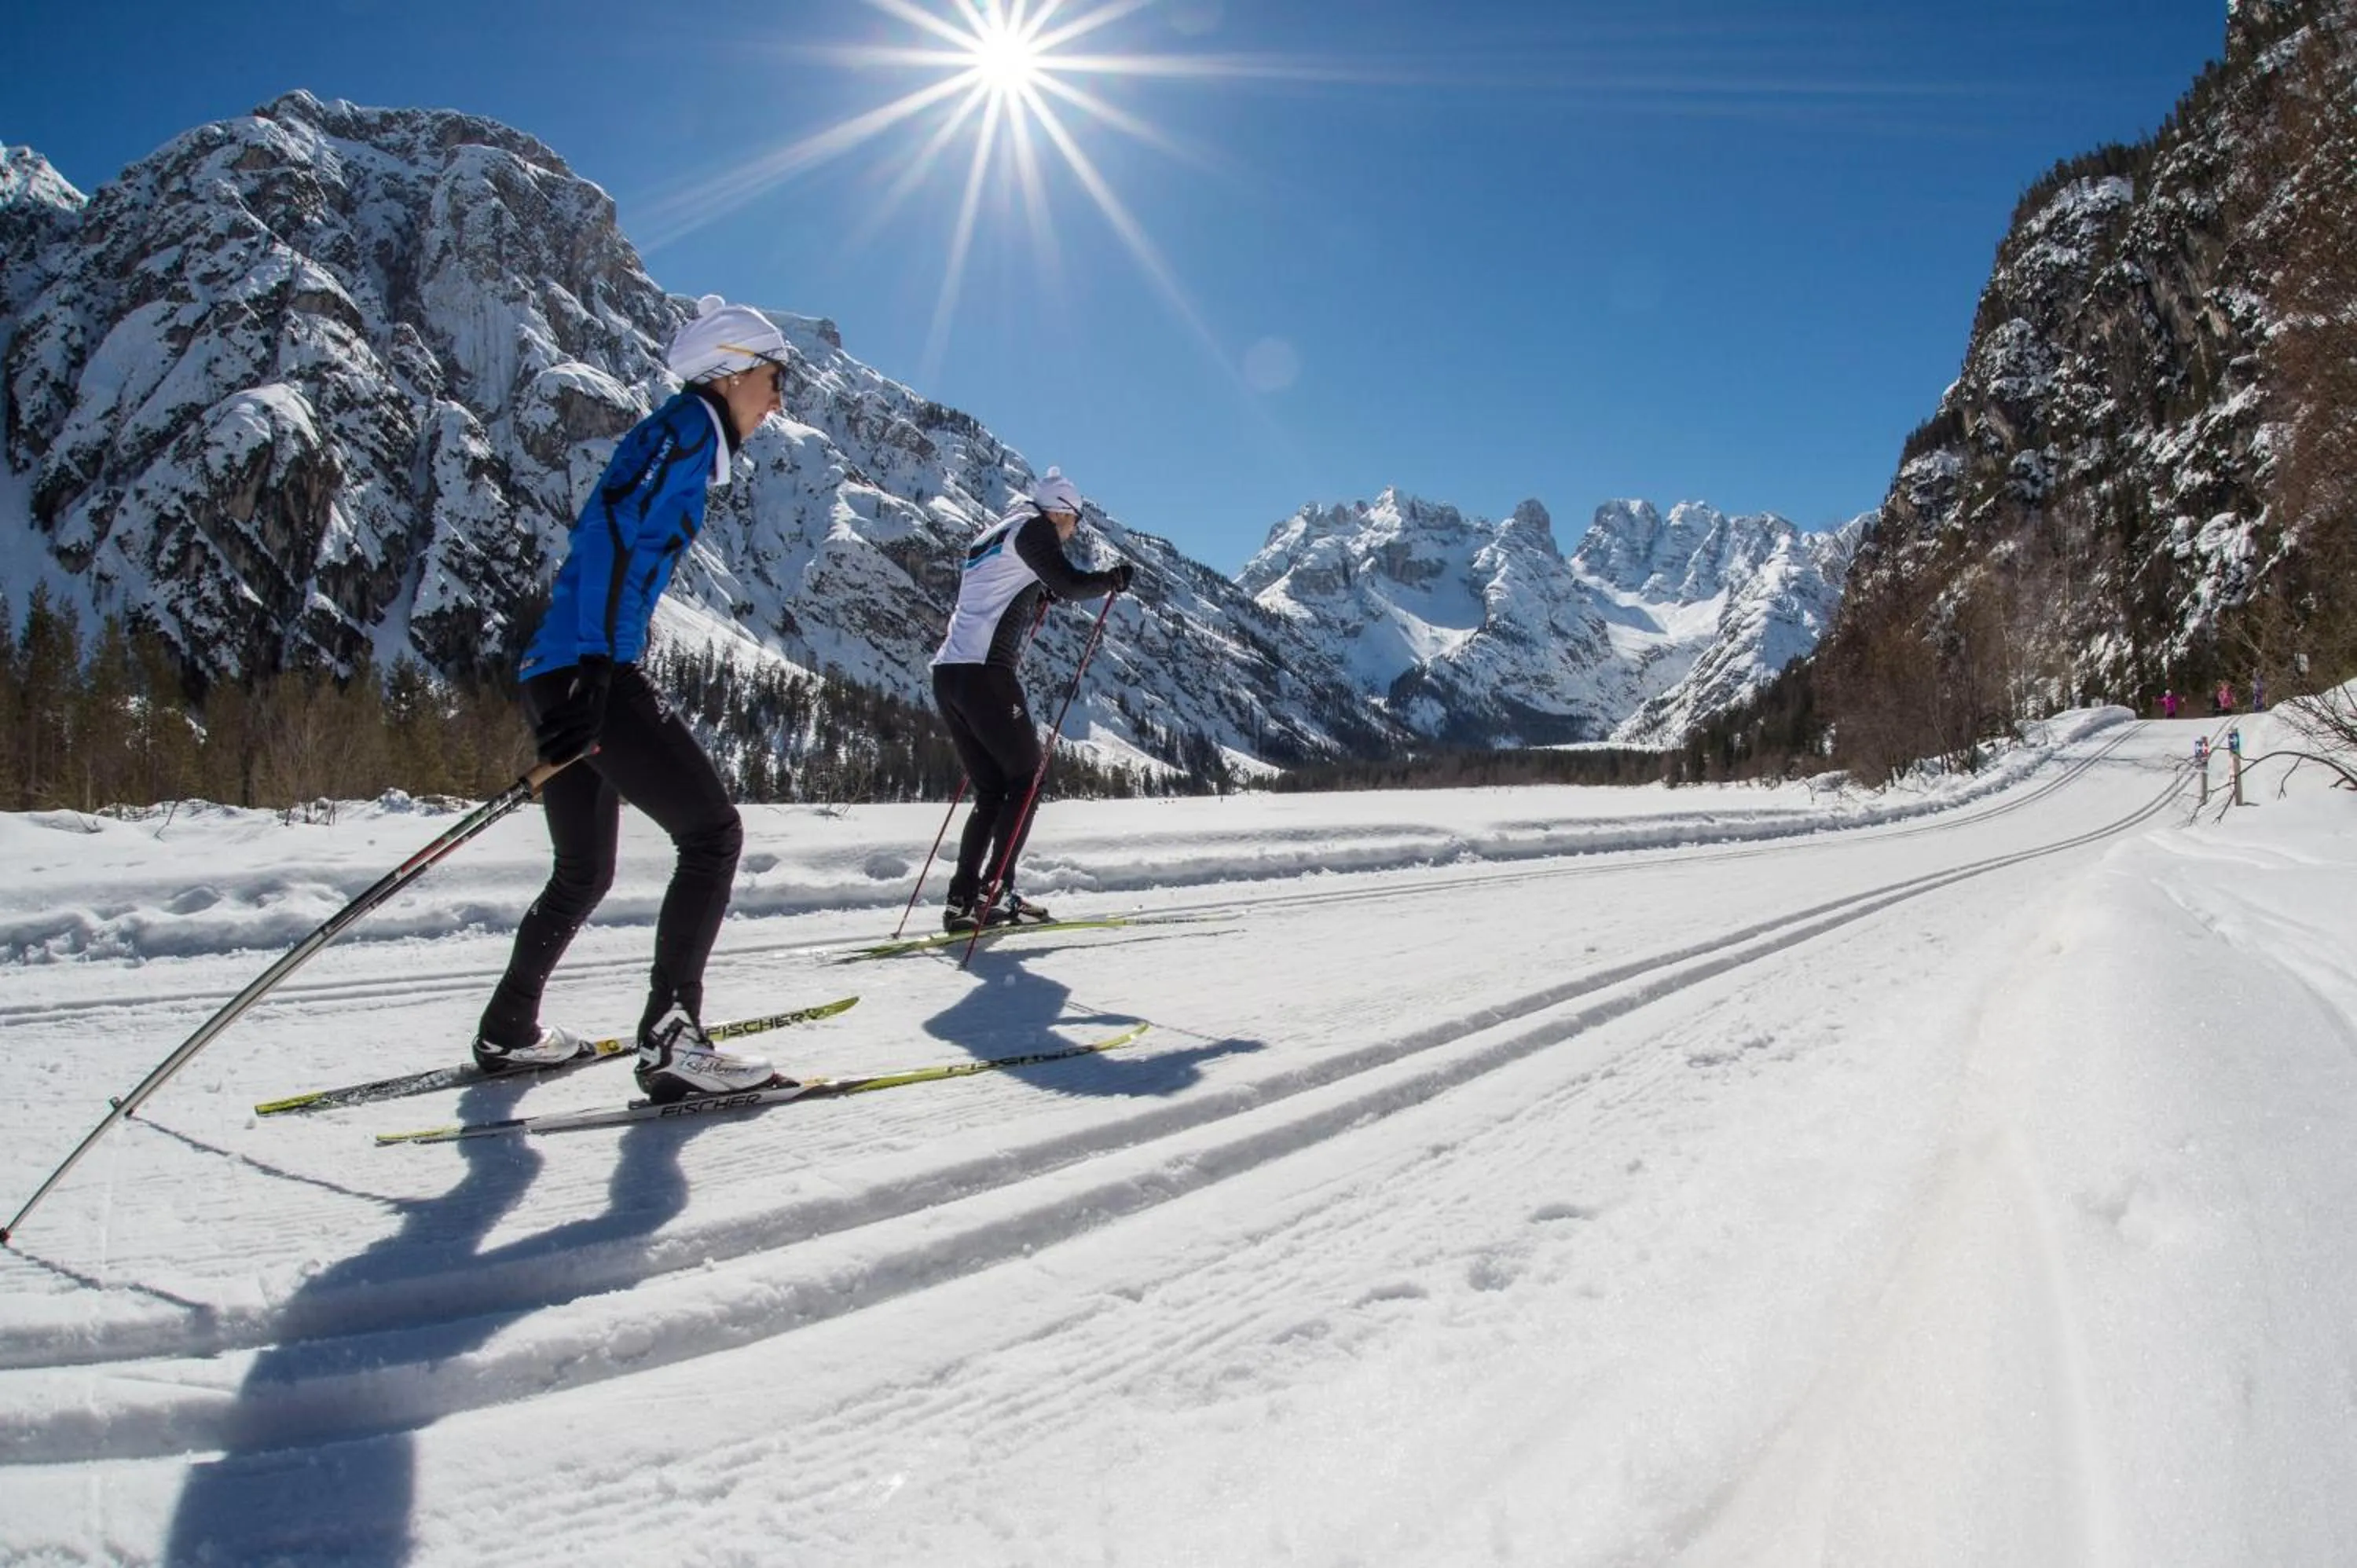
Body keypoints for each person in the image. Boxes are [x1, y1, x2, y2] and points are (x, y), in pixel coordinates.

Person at [471, 295, 788, 1103]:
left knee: (583, 870)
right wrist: (599, 667)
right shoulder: (685, 429)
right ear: (733, 371)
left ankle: (509, 1030)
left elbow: (612, 531)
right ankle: (673, 1037)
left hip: (561, 668)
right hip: (588, 668)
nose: (778, 400)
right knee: (713, 835)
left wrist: (579, 667)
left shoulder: (687, 435)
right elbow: (609, 528)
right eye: (774, 379)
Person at [929, 466, 1133, 933]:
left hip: (948, 675)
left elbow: (1001, 588)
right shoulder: (1035, 528)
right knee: (1027, 780)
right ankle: (994, 892)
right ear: (1061, 512)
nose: (1074, 530)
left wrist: (1035, 596)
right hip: (985, 674)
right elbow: (1069, 583)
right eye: (1075, 521)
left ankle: (963, 900)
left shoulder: (995, 533)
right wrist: (1111, 579)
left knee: (992, 789)